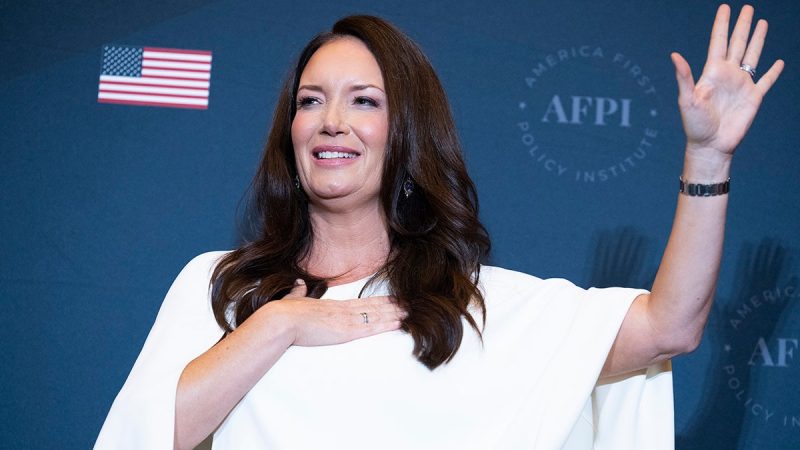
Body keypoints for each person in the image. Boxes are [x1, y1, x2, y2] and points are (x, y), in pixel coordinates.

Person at [95, 4, 783, 449]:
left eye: (364, 101)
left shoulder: (476, 305)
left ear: (407, 132)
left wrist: (708, 157)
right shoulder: (222, 286)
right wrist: (279, 325)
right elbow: (148, 434)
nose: (330, 121)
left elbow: (669, 327)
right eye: (310, 101)